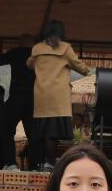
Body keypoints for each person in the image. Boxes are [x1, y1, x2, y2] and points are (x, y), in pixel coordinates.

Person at [27, 22, 90, 171]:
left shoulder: (36, 48)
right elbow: (81, 68)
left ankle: (40, 163)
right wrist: (88, 71)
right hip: (58, 96)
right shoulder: (65, 48)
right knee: (52, 133)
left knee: (42, 132)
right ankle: (50, 163)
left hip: (41, 95)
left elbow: (29, 65)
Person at [0, 34, 36, 166]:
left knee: (7, 130)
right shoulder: (38, 55)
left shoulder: (16, 52)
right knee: (33, 135)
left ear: (20, 43)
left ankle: (10, 163)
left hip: (16, 97)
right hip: (33, 98)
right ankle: (35, 165)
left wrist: (9, 53)